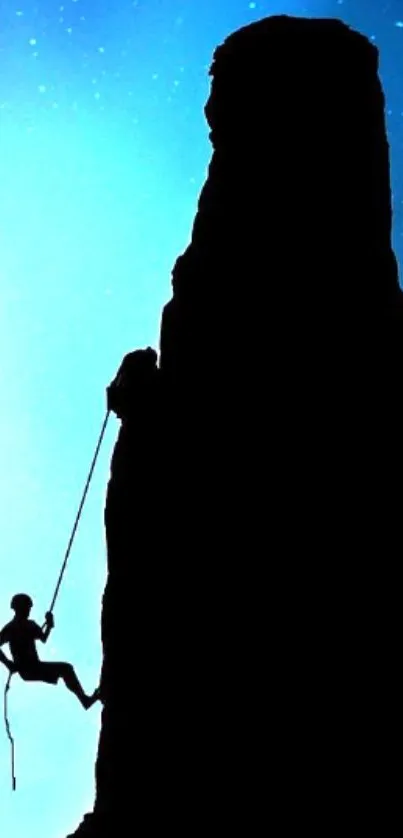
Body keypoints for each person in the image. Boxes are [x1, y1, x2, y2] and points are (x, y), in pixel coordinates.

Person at [0, 593, 100, 710]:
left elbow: (43, 638)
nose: (29, 610)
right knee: (66, 669)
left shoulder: (28, 625)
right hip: (27, 668)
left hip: (31, 667)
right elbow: (43, 638)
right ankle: (84, 700)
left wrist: (49, 624)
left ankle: (85, 700)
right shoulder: (12, 628)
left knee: (65, 669)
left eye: (29, 608)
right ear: (19, 608)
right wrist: (8, 663)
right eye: (28, 607)